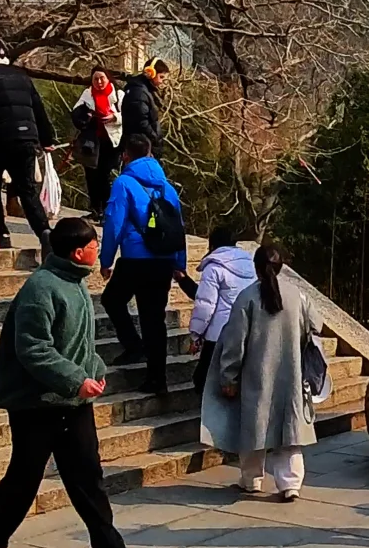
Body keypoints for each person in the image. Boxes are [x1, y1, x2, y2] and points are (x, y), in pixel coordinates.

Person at [0, 216, 149, 548]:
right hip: (35, 401)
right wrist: (74, 379)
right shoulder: (41, 288)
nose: (99, 251)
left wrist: (93, 370)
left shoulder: (75, 284)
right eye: (95, 246)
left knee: (87, 477)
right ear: (78, 251)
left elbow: (80, 344)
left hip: (71, 401)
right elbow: (33, 349)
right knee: (26, 476)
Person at [201, 245, 320, 501]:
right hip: (290, 374)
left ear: (256, 268)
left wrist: (228, 376)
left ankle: (251, 480)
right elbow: (315, 325)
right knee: (289, 433)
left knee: (254, 430)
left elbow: (234, 343)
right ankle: (290, 485)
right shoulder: (297, 296)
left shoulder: (247, 298)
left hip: (256, 377)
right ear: (281, 267)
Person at [100, 132, 185, 395]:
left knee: (112, 300)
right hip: (162, 261)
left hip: (136, 258)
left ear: (125, 155)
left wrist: (106, 259)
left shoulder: (124, 183)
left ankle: (134, 347)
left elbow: (114, 222)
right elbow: (177, 227)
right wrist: (178, 262)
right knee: (154, 320)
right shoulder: (166, 187)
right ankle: (157, 378)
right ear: (149, 153)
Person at [0, 34, 55, 254]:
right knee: (27, 190)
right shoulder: (21, 75)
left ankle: (1, 233)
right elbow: (38, 107)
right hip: (27, 140)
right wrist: (46, 138)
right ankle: (44, 232)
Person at [188, 227, 255, 393]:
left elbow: (206, 305)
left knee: (203, 380)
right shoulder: (250, 264)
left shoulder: (214, 268)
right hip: (247, 329)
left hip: (219, 334)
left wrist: (196, 334)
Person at [71, 66, 124, 219]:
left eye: (102, 78)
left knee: (105, 175)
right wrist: (86, 117)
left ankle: (108, 210)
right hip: (93, 141)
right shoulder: (87, 94)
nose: (99, 82)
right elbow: (76, 113)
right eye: (96, 79)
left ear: (108, 79)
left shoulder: (118, 95)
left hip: (112, 141)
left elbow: (127, 115)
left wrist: (114, 118)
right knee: (91, 175)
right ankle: (95, 209)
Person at [120, 58, 168, 158]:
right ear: (151, 73)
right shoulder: (139, 92)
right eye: (161, 77)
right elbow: (141, 122)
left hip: (142, 145)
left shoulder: (142, 89)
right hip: (142, 147)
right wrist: (155, 138)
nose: (162, 81)